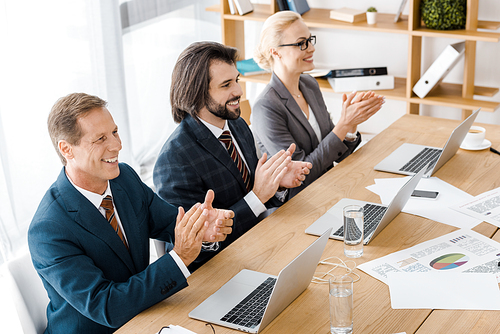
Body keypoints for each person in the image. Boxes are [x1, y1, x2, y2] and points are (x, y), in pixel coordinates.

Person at [28, 93, 234, 334]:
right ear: (67, 149)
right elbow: (107, 306)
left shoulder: (124, 178)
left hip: (145, 317)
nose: (117, 145)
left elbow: (171, 223)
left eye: (115, 132)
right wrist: (179, 258)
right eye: (100, 138)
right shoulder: (48, 229)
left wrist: (201, 229)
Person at [153, 41, 312, 271]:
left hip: (262, 248)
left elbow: (255, 196)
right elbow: (195, 251)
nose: (238, 91)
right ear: (197, 93)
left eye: (236, 80)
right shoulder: (174, 161)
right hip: (223, 271)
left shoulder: (236, 125)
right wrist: (258, 196)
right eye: (226, 85)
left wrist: (276, 183)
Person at [252, 11, 385, 198]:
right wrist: (343, 125)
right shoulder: (266, 107)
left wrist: (351, 125)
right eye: (301, 43)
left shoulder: (309, 84)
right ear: (275, 51)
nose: (311, 48)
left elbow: (335, 151)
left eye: (310, 39)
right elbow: (301, 176)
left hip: (329, 186)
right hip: (299, 202)